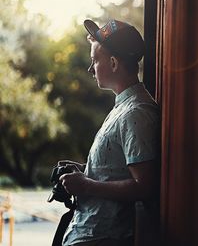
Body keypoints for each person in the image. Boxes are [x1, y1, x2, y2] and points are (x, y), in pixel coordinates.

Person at [57, 19, 160, 246]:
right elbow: (117, 173)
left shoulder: (136, 113)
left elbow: (144, 185)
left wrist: (85, 185)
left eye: (94, 61)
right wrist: (84, 173)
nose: (90, 68)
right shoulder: (123, 107)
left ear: (113, 63)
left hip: (101, 238)